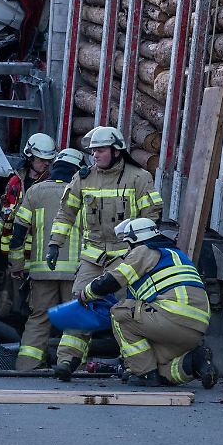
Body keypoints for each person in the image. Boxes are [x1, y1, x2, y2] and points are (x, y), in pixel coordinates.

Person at [49, 126, 162, 381]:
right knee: (79, 304)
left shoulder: (139, 178)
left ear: (116, 150)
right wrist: (55, 243)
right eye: (92, 151)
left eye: (100, 150)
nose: (95, 156)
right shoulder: (83, 178)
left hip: (126, 258)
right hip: (93, 258)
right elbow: (65, 213)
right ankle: (68, 361)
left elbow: (151, 218)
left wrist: (144, 254)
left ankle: (135, 366)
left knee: (128, 312)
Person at [78, 217, 217, 389]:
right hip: (195, 329)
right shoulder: (176, 255)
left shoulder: (144, 251)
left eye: (127, 244)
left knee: (119, 313)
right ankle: (195, 361)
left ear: (135, 240)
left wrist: (85, 295)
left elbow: (111, 281)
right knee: (159, 366)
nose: (127, 250)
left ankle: (145, 374)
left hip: (171, 319)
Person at [9, 147, 87, 370]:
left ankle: (26, 366)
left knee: (38, 319)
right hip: (77, 272)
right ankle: (71, 366)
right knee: (75, 320)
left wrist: (17, 264)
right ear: (78, 170)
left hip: (42, 271)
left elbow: (18, 232)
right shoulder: (84, 191)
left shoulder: (35, 192)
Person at [0, 133, 56, 256]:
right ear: (30, 157)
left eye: (49, 160)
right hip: (12, 256)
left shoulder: (50, 185)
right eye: (42, 159)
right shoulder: (15, 182)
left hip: (37, 256)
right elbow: (6, 219)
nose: (46, 164)